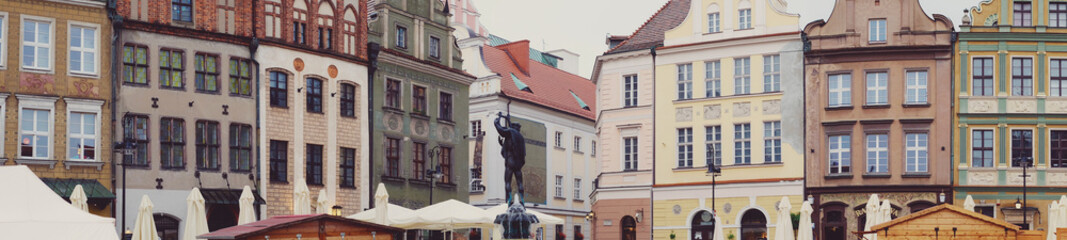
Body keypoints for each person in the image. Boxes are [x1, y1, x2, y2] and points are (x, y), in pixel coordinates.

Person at [495, 112, 526, 204]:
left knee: (507, 181)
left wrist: (496, 122)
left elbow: (501, 131)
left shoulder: (511, 132)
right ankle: (522, 200)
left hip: (511, 160)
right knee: (520, 182)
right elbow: (513, 146)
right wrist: (503, 145)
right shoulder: (520, 137)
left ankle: (508, 200)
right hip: (518, 163)